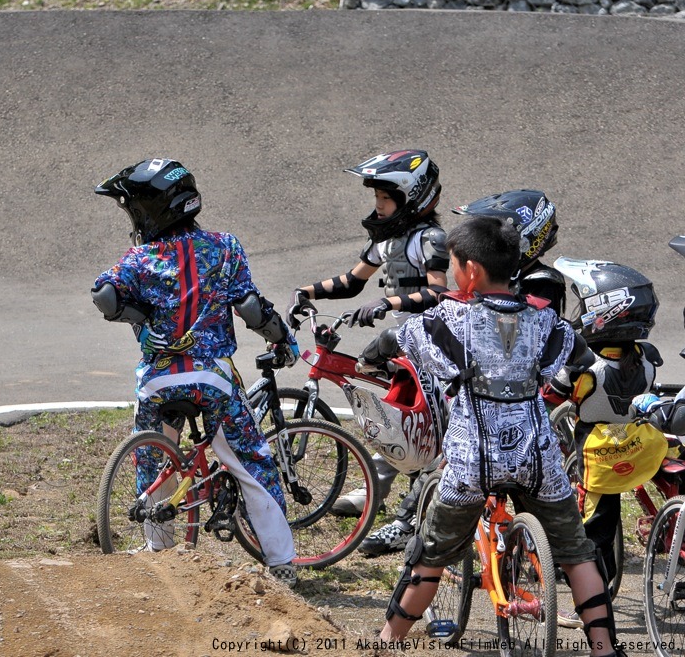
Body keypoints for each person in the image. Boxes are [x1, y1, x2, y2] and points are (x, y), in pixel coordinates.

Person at [376, 215, 620, 657]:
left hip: (472, 462)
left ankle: (386, 642)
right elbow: (581, 356)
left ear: (471, 270)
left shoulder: (450, 318)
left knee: (429, 555)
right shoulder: (547, 322)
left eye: (453, 264)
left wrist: (379, 349)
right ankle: (605, 649)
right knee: (576, 552)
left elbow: (397, 339)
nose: (451, 272)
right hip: (538, 459)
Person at [92, 158, 302, 587]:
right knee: (251, 464)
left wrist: (145, 321)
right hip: (212, 378)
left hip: (157, 379)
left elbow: (105, 297)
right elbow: (248, 308)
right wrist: (281, 338)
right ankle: (282, 564)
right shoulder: (224, 247)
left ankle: (158, 552)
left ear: (153, 211)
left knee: (154, 463)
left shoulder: (139, 258)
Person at [286, 149, 448, 554]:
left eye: (384, 199)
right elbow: (353, 281)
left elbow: (440, 292)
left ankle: (409, 521)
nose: (377, 207)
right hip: (405, 343)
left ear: (413, 199)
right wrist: (307, 290)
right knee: (397, 417)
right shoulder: (388, 240)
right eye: (375, 198)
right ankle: (375, 486)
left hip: (432, 343)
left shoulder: (429, 239)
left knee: (421, 433)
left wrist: (389, 304)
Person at [552, 259, 665, 594]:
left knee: (593, 527)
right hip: (640, 441)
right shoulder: (647, 359)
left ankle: (591, 594)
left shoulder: (584, 365)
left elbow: (548, 395)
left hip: (598, 451)